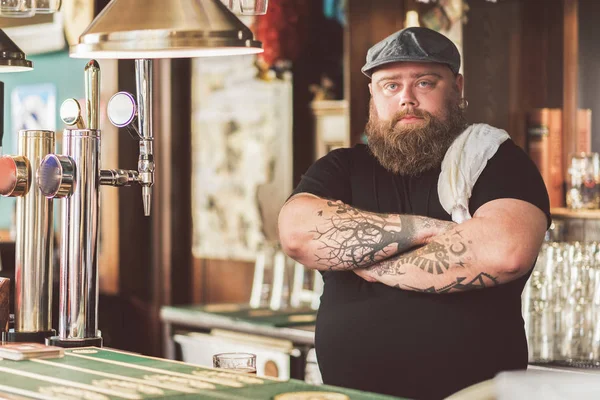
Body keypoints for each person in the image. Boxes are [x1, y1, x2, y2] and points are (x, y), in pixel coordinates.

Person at [278, 27, 550, 400]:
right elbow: (297, 234)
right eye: (391, 85)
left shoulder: (496, 163)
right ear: (373, 94)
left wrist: (371, 261)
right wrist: (427, 230)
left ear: (457, 87)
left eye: (425, 82)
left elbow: (505, 252)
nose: (407, 99)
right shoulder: (341, 168)